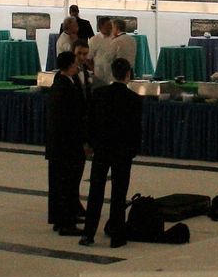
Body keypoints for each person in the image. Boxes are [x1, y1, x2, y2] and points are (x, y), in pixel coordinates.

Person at [82, 57, 144, 247]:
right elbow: (136, 129)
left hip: (102, 148)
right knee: (118, 193)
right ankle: (117, 236)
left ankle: (88, 234)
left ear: (112, 73)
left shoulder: (99, 94)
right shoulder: (134, 99)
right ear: (128, 74)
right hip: (123, 151)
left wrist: (90, 143)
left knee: (96, 191)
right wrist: (133, 149)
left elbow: (90, 121)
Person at [45, 50, 87, 235]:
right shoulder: (64, 87)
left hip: (61, 144)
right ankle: (65, 223)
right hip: (66, 144)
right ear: (70, 65)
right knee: (65, 183)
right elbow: (70, 118)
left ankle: (63, 217)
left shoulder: (64, 82)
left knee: (64, 183)